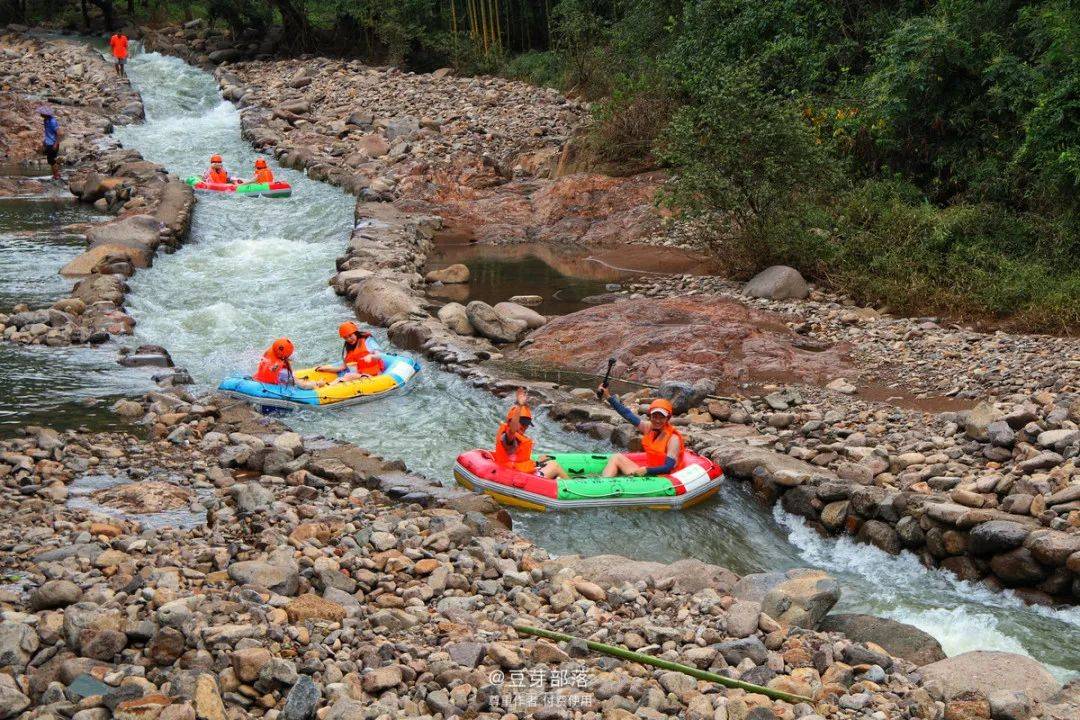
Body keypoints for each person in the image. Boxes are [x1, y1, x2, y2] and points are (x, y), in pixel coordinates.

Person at [597, 386, 685, 477]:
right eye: (655, 416)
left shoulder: (673, 439)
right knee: (616, 457)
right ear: (650, 416)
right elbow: (627, 414)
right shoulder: (648, 427)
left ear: (668, 418)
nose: (657, 421)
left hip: (664, 478)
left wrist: (647, 470)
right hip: (650, 472)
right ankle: (604, 483)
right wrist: (608, 397)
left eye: (662, 417)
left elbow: (668, 467)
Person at [493, 388, 567, 479]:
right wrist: (520, 405)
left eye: (527, 424)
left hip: (519, 473)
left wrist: (538, 462)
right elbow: (512, 429)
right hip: (514, 477)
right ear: (513, 421)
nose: (525, 427)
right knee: (554, 466)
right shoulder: (508, 437)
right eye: (522, 423)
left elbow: (519, 461)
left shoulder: (517, 436)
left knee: (546, 463)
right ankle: (574, 488)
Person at [317, 321, 384, 382]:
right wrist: (325, 368)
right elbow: (342, 367)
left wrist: (371, 356)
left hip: (375, 376)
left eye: (350, 335)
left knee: (347, 376)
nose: (349, 339)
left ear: (356, 333)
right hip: (360, 377)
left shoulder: (367, 341)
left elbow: (380, 355)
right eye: (345, 338)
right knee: (342, 378)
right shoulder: (349, 348)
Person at [252, 338, 325, 389]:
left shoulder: (271, 351)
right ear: (284, 356)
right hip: (271, 384)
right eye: (289, 354)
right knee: (296, 381)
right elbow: (303, 386)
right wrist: (318, 383)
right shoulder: (283, 372)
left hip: (260, 378)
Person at [38, 106, 61, 180]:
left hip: (53, 143)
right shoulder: (45, 120)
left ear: (46, 114)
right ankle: (55, 174)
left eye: (42, 113)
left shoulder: (52, 121)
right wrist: (45, 140)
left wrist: (55, 144)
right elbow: (48, 132)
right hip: (48, 142)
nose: (40, 114)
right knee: (50, 160)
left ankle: (57, 175)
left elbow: (58, 133)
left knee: (51, 160)